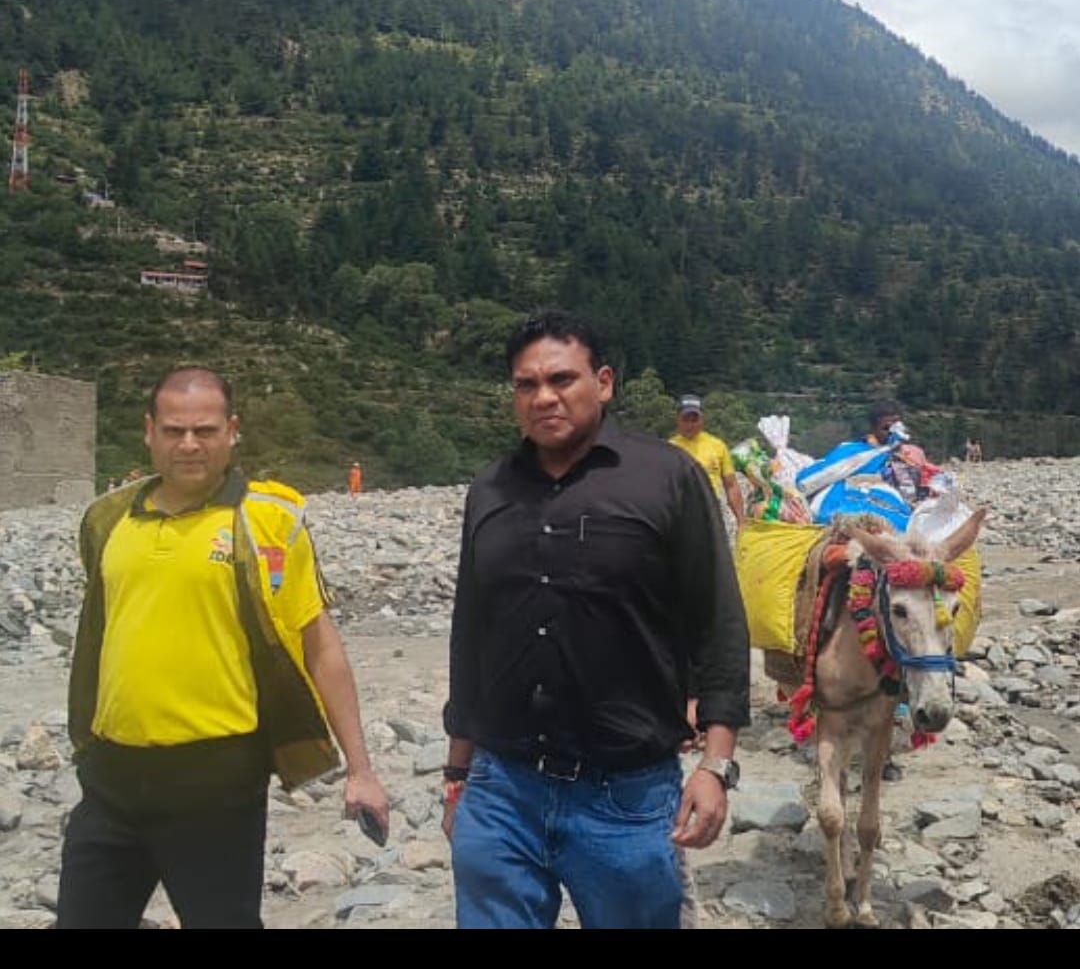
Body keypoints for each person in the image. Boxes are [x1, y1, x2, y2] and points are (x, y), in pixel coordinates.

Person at [442, 309, 750, 929]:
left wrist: (715, 766)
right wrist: (458, 774)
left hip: (625, 797)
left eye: (562, 379)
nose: (544, 397)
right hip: (502, 790)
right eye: (526, 385)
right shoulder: (491, 489)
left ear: (603, 383)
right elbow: (471, 631)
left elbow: (717, 622)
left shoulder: (667, 478)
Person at [57, 365, 389, 929]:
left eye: (205, 430)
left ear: (232, 431)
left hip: (216, 781)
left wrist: (361, 769)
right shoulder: (107, 520)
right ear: (149, 431)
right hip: (111, 777)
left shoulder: (268, 521)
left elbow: (321, 648)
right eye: (174, 430)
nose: (189, 444)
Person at [669, 393, 746, 532]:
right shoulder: (669, 448)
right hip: (681, 511)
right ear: (678, 420)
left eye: (694, 419)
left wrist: (741, 521)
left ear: (702, 420)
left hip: (712, 509)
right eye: (686, 419)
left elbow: (731, 485)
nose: (690, 424)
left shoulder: (717, 446)